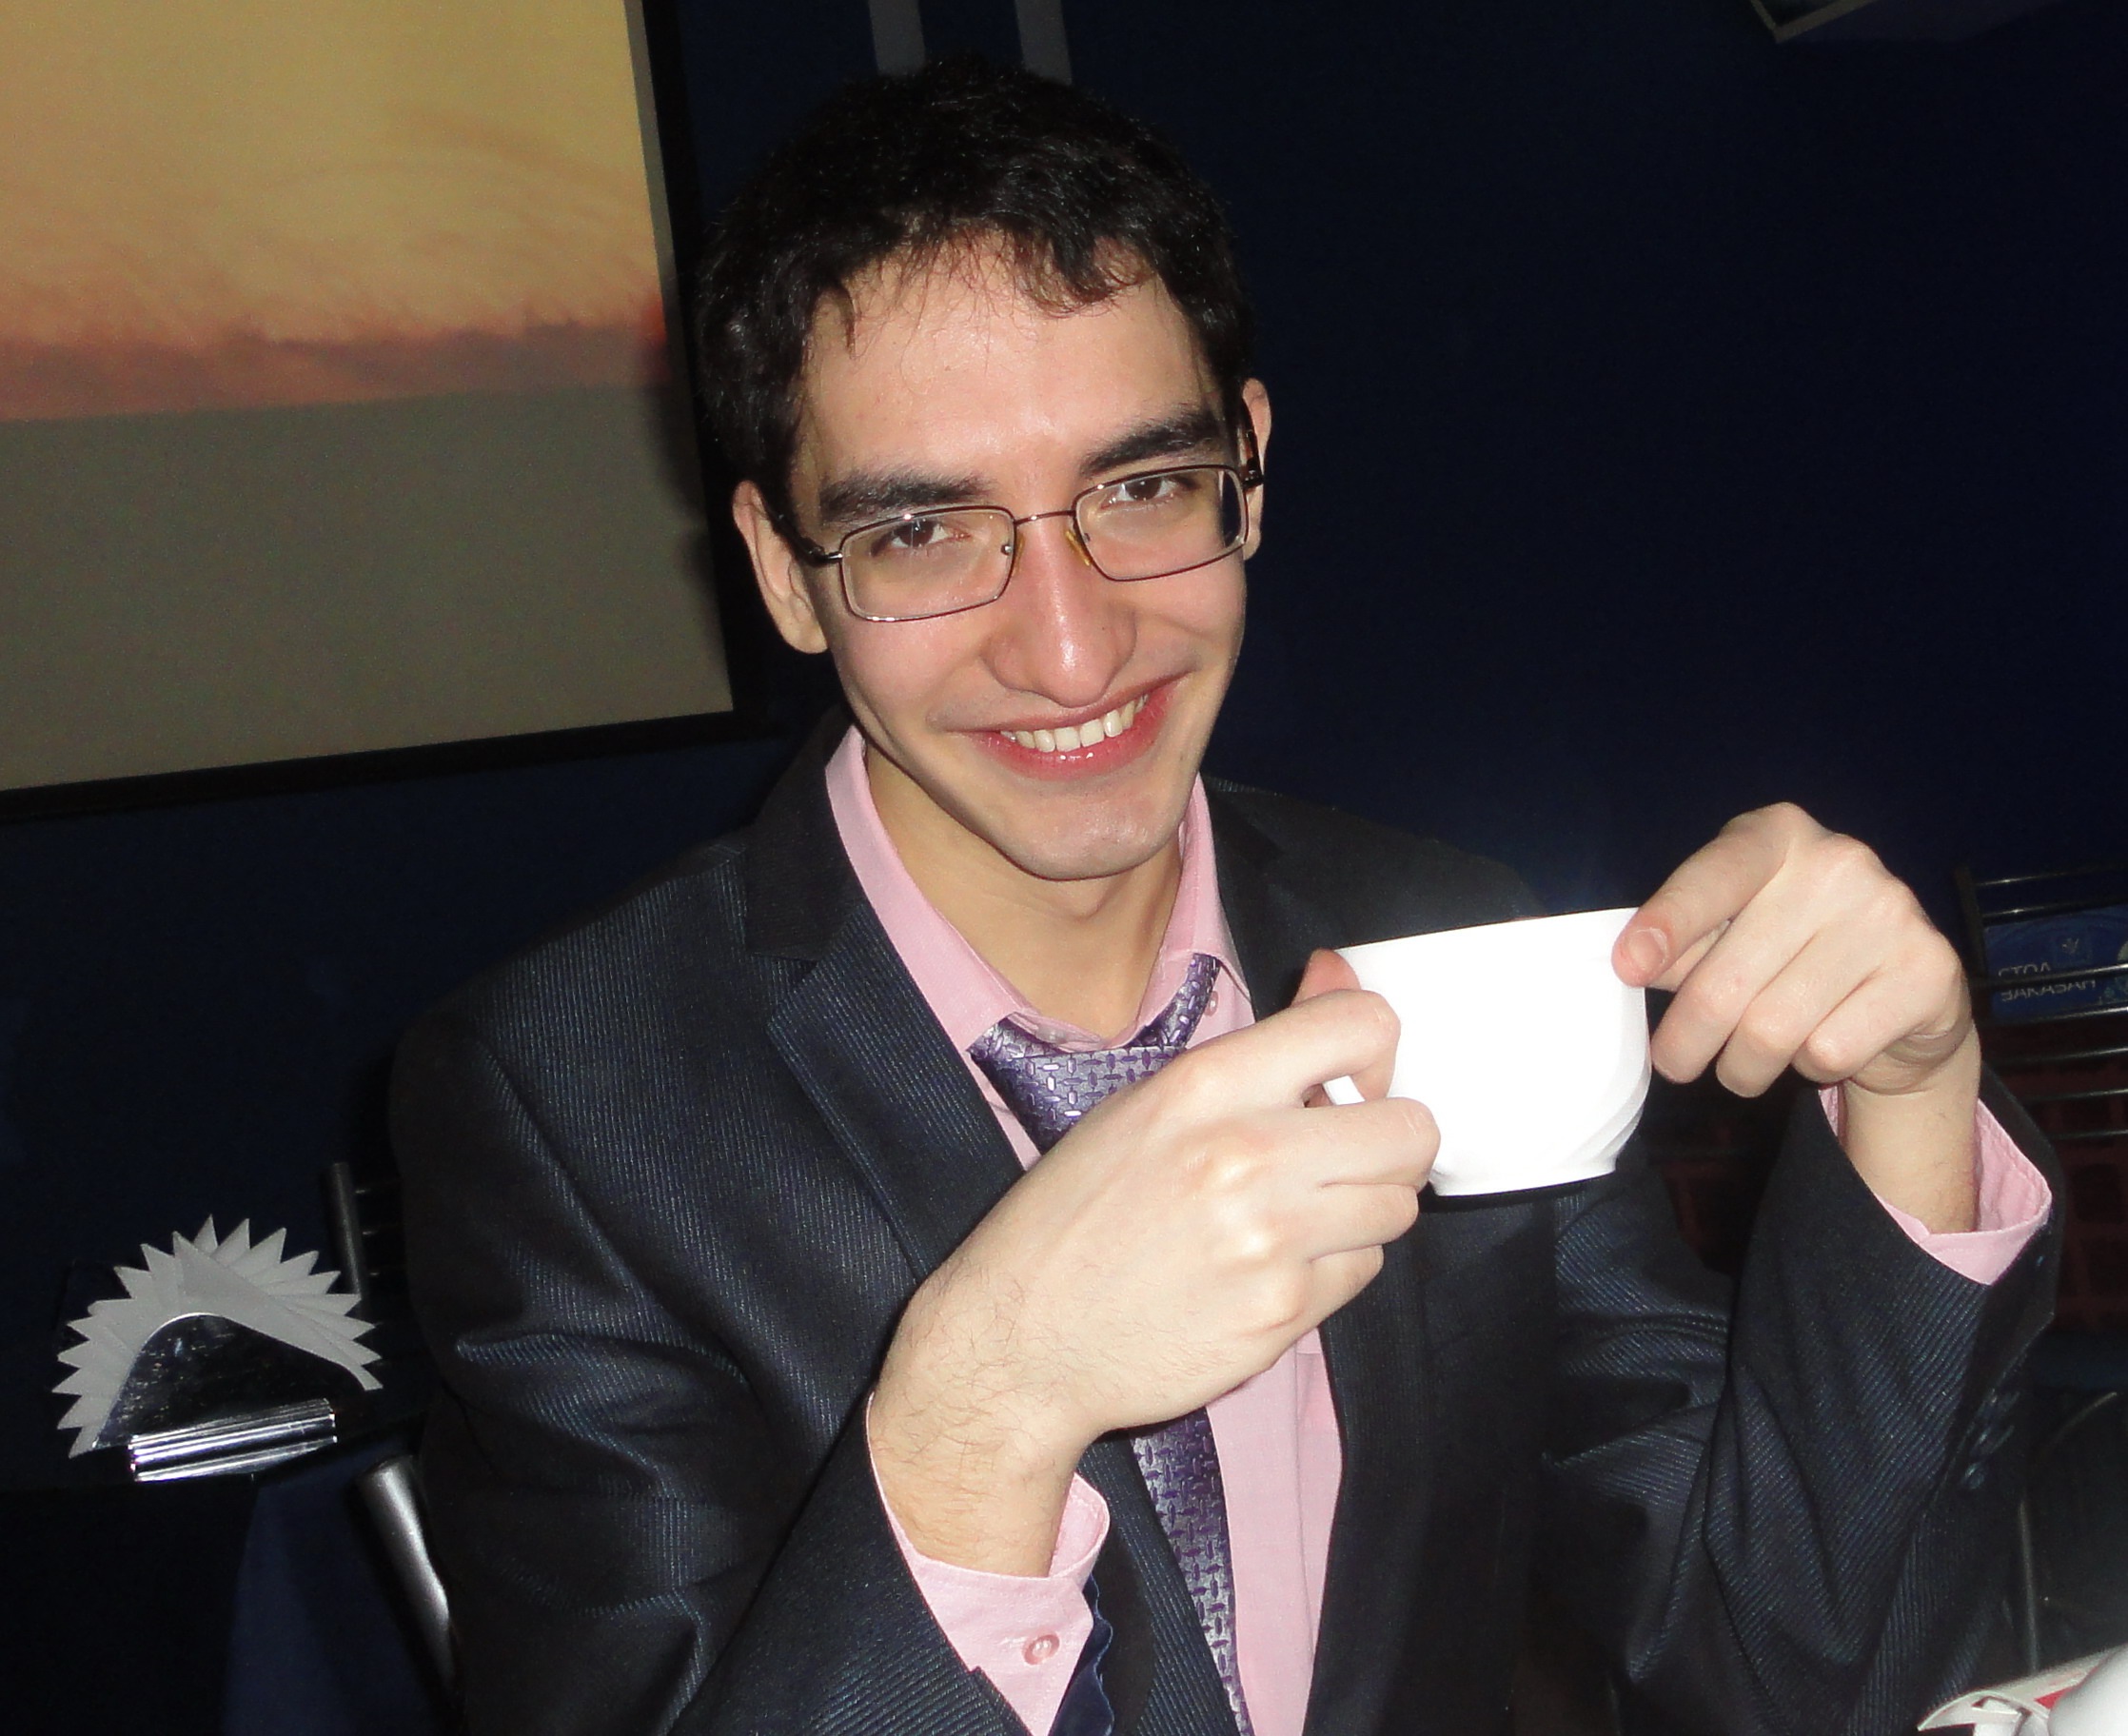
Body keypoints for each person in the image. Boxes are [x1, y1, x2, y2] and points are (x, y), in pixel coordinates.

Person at [392, 58, 2059, 1736]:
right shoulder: (571, 1100)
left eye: (1140, 491)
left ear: (1248, 468)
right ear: (781, 572)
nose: (1070, 650)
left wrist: (1910, 1105)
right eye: (922, 533)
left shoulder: (1442, 948)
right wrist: (980, 1421)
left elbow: (1791, 1669)